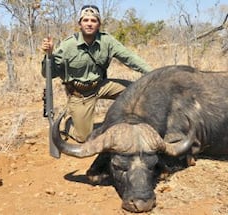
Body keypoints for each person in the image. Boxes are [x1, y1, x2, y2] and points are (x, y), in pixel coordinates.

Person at [41, 5, 152, 143]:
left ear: (99, 24)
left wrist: (154, 74)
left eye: (93, 20)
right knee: (84, 138)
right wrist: (49, 55)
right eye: (85, 20)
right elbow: (48, 74)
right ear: (79, 24)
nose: (89, 23)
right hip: (80, 94)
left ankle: (132, 121)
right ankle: (70, 123)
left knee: (140, 92)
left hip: (101, 85)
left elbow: (130, 58)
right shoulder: (68, 45)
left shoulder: (107, 41)